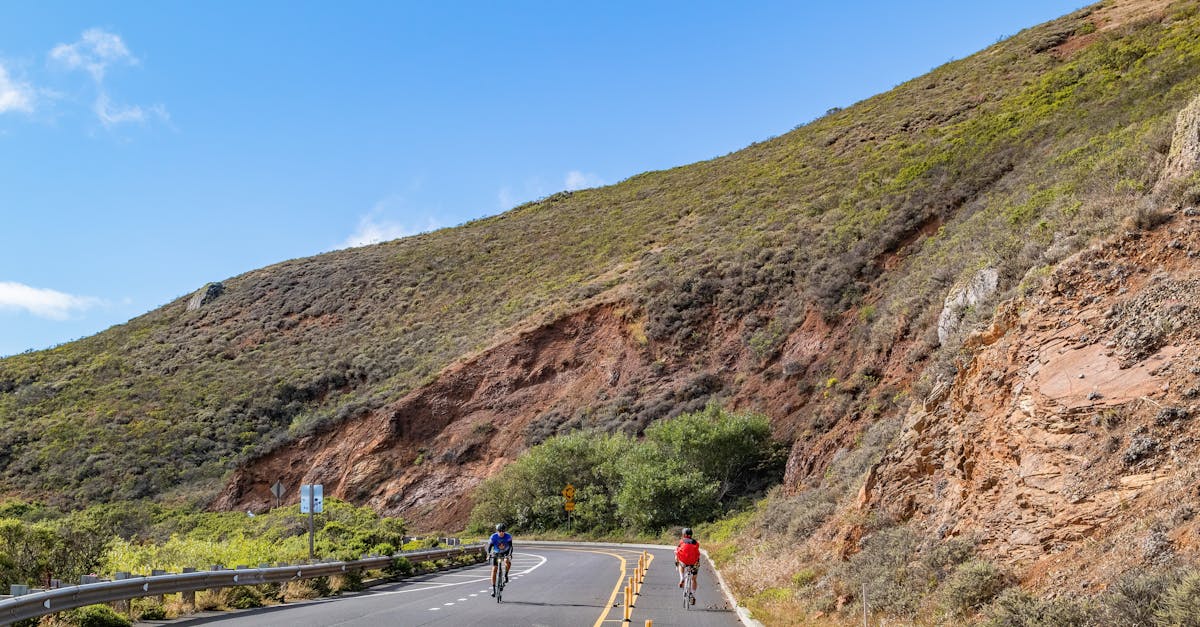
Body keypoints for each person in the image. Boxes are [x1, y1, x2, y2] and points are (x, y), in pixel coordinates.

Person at [489, 523, 514, 596]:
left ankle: (506, 575)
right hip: (496, 553)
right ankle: (493, 589)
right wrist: (488, 554)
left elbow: (511, 547)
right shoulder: (493, 537)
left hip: (505, 552)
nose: (501, 533)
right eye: (499, 531)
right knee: (494, 569)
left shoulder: (508, 536)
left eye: (503, 531)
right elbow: (490, 547)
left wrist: (509, 554)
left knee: (507, 561)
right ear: (497, 531)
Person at [675, 527, 701, 596]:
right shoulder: (696, 542)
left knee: (681, 564)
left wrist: (676, 561)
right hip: (694, 562)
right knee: (694, 579)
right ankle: (693, 594)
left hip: (684, 561)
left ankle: (682, 578)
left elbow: (678, 550)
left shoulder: (682, 541)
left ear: (684, 534)